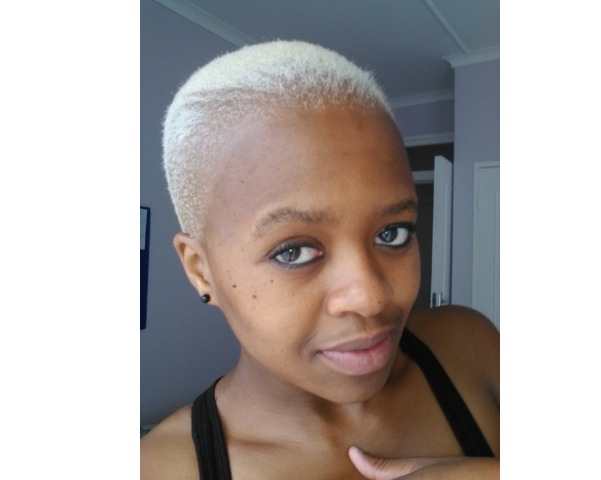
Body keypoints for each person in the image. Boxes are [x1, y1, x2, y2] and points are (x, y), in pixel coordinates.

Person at [140, 40, 499, 479]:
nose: (371, 297)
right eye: (293, 251)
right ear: (201, 271)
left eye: (393, 233)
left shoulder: (469, 347)